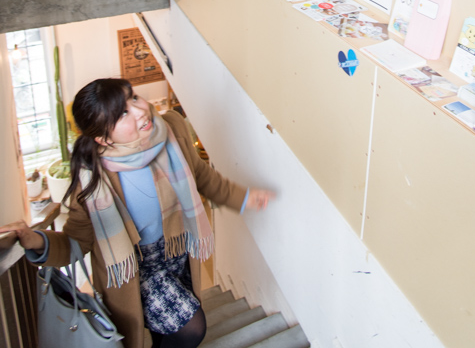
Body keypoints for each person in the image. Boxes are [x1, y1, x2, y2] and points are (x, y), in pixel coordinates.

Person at [0, 78, 274, 348]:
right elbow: (75, 242)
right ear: (103, 138)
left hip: (177, 251)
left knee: (166, 332)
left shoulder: (171, 129)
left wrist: (244, 198)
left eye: (133, 97)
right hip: (136, 271)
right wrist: (35, 240)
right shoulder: (92, 180)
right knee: (191, 328)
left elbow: (201, 175)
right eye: (123, 113)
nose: (141, 110)